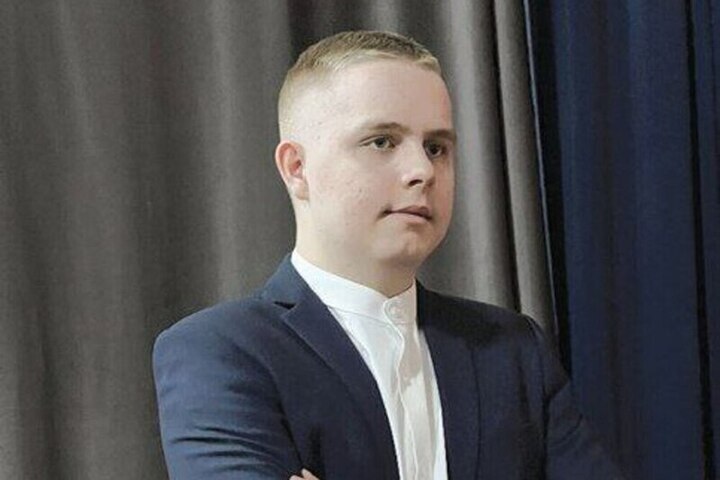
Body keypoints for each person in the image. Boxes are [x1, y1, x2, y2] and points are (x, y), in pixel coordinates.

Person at [152, 30, 627, 480]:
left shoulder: (513, 350)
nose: (422, 170)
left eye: (436, 147)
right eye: (382, 141)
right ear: (297, 168)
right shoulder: (217, 352)